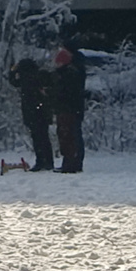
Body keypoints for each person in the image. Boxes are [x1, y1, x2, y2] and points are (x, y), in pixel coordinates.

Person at [7, 58, 54, 172]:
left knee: (38, 138)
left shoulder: (26, 79)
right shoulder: (39, 76)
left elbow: (14, 82)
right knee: (43, 137)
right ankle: (47, 162)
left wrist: (12, 72)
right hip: (41, 112)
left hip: (33, 112)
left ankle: (41, 161)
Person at [50, 43, 87, 173]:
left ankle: (71, 163)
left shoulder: (69, 73)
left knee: (69, 136)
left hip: (68, 109)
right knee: (71, 135)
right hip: (71, 108)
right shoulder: (76, 69)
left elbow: (66, 92)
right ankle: (72, 162)